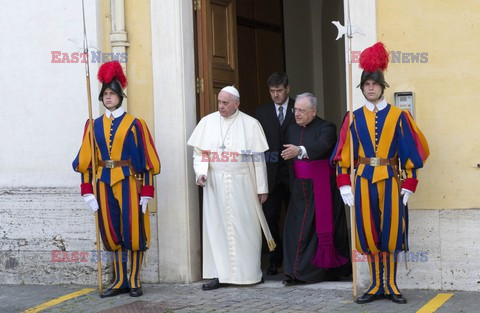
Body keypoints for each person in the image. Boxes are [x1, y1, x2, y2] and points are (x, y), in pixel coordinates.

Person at [331, 42, 429, 304]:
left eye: (374, 83)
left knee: (392, 232)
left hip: (391, 180)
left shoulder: (399, 117)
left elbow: (411, 152)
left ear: (382, 86)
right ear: (362, 87)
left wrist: (409, 183)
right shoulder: (352, 117)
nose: (370, 87)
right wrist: (343, 184)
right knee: (369, 232)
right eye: (366, 84)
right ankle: (375, 285)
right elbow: (343, 155)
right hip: (362, 181)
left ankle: (392, 285)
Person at [73, 61, 161, 298]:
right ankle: (120, 279)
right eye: (105, 94)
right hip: (102, 183)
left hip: (129, 181)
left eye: (112, 93)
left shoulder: (135, 124)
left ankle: (134, 279)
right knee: (111, 232)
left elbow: (149, 160)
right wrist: (86, 190)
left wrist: (147, 192)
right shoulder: (93, 125)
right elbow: (85, 160)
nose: (108, 97)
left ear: (121, 95)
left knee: (133, 231)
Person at [187, 86, 272, 290]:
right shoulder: (207, 122)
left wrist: (262, 187)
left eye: (225, 103)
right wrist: (201, 172)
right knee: (216, 229)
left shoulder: (251, 124)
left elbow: (259, 159)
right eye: (219, 102)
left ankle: (251, 273)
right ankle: (219, 274)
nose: (221, 106)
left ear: (237, 104)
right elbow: (200, 153)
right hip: (215, 183)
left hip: (243, 183)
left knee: (247, 228)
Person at [281, 92, 350, 286]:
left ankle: (317, 272)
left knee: (318, 230)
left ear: (314, 111)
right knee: (294, 230)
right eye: (295, 110)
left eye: (302, 110)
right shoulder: (291, 128)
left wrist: (300, 150)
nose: (297, 114)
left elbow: (322, 146)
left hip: (321, 188)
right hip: (298, 189)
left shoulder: (326, 127)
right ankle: (293, 272)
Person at [255, 72, 294, 275]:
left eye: (279, 90)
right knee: (270, 216)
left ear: (287, 89)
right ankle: (274, 257)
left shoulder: (299, 107)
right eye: (272, 91)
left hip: (294, 173)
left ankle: (294, 259)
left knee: (294, 216)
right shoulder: (261, 114)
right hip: (270, 174)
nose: (276, 95)